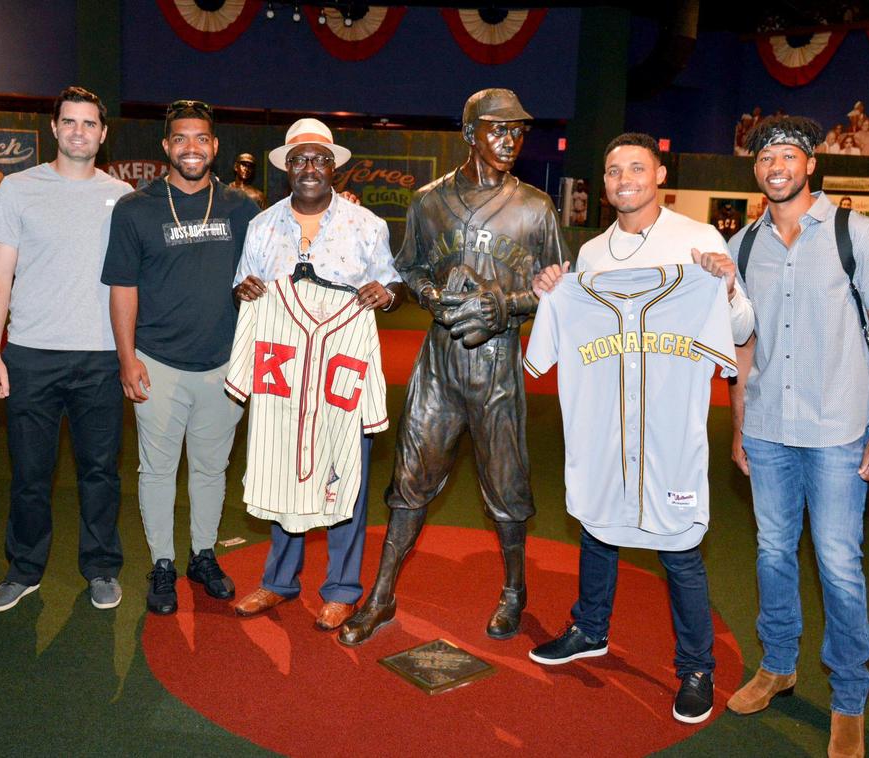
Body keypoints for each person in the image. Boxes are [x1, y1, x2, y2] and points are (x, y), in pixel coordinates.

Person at [526, 132, 755, 724]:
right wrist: (552, 294)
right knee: (599, 526)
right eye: (612, 171)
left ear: (658, 175)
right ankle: (590, 628)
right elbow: (560, 336)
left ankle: (696, 666)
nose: (623, 178)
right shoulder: (594, 255)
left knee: (680, 548)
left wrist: (724, 280)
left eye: (635, 167)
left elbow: (742, 326)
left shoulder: (699, 240)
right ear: (603, 185)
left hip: (670, 431)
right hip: (607, 427)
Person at [338, 88, 569, 646]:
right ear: (470, 134)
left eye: (517, 131)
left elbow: (564, 290)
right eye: (496, 129)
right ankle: (383, 593)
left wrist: (507, 306)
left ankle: (515, 591)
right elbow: (408, 269)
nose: (509, 140)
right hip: (439, 362)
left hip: (497, 362)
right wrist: (431, 293)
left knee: (507, 488)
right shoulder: (428, 200)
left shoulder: (536, 207)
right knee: (410, 482)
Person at [727, 116, 869, 758]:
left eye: (786, 154)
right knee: (772, 552)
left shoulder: (857, 233)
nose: (774, 165)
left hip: (838, 429)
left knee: (839, 564)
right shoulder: (742, 245)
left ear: (809, 164)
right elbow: (742, 345)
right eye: (763, 156)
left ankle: (849, 699)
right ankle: (778, 666)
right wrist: (739, 428)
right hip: (769, 430)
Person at [227, 118, 406, 631]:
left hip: (339, 371)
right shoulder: (263, 226)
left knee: (344, 477)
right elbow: (242, 286)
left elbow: (392, 284)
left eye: (320, 160)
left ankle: (342, 589)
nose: (310, 168)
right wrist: (246, 294)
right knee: (283, 467)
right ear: (287, 168)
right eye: (300, 159)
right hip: (284, 375)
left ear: (335, 170)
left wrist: (386, 295)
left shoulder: (367, 225)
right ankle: (279, 582)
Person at [101, 99, 259, 615]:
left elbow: (268, 277)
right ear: (166, 146)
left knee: (213, 469)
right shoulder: (136, 208)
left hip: (224, 362)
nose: (191, 147)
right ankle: (163, 562)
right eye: (181, 139)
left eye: (202, 139)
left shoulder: (241, 207)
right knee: (158, 470)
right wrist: (127, 359)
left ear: (214, 146)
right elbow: (123, 288)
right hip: (158, 359)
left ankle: (203, 554)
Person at [0, 86, 132, 613]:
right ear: (54, 128)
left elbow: (132, 282)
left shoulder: (123, 196)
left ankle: (102, 568)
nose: (79, 131)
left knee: (99, 473)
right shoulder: (18, 188)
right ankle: (23, 571)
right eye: (70, 122)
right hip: (30, 354)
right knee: (29, 476)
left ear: (103, 134)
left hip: (100, 358)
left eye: (89, 123)